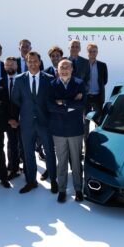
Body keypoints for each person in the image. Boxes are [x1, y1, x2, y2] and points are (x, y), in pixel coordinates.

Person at [12, 51, 57, 193]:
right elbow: (15, 99)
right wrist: (25, 113)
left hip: (45, 122)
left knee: (49, 151)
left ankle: (54, 180)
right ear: (26, 62)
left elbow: (52, 99)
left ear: (40, 62)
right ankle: (31, 181)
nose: (32, 63)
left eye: (35, 61)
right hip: (26, 123)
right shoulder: (19, 79)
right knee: (28, 153)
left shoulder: (49, 78)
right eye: (29, 61)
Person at [47, 59, 86, 202]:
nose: (64, 70)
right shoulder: (52, 85)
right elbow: (50, 106)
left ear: (71, 69)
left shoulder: (79, 83)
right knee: (62, 162)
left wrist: (62, 102)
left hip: (75, 129)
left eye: (67, 67)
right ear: (57, 70)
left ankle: (78, 189)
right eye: (61, 67)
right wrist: (71, 103)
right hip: (58, 130)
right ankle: (62, 190)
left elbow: (81, 104)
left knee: (76, 161)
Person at [3, 56, 23, 179]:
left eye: (12, 65)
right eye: (7, 65)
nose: (10, 67)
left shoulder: (23, 79)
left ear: (17, 66)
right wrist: (9, 119)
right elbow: (0, 103)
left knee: (25, 145)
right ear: (4, 67)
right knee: (11, 144)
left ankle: (28, 169)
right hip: (8, 119)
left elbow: (27, 101)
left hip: (22, 119)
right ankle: (13, 168)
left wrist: (20, 118)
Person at [85, 43, 108, 134]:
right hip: (85, 97)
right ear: (87, 52)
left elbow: (104, 81)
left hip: (97, 97)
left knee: (98, 121)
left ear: (97, 52)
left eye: (94, 51)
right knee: (85, 122)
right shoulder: (83, 65)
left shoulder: (102, 65)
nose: (92, 53)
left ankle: (97, 141)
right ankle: (86, 143)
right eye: (90, 51)